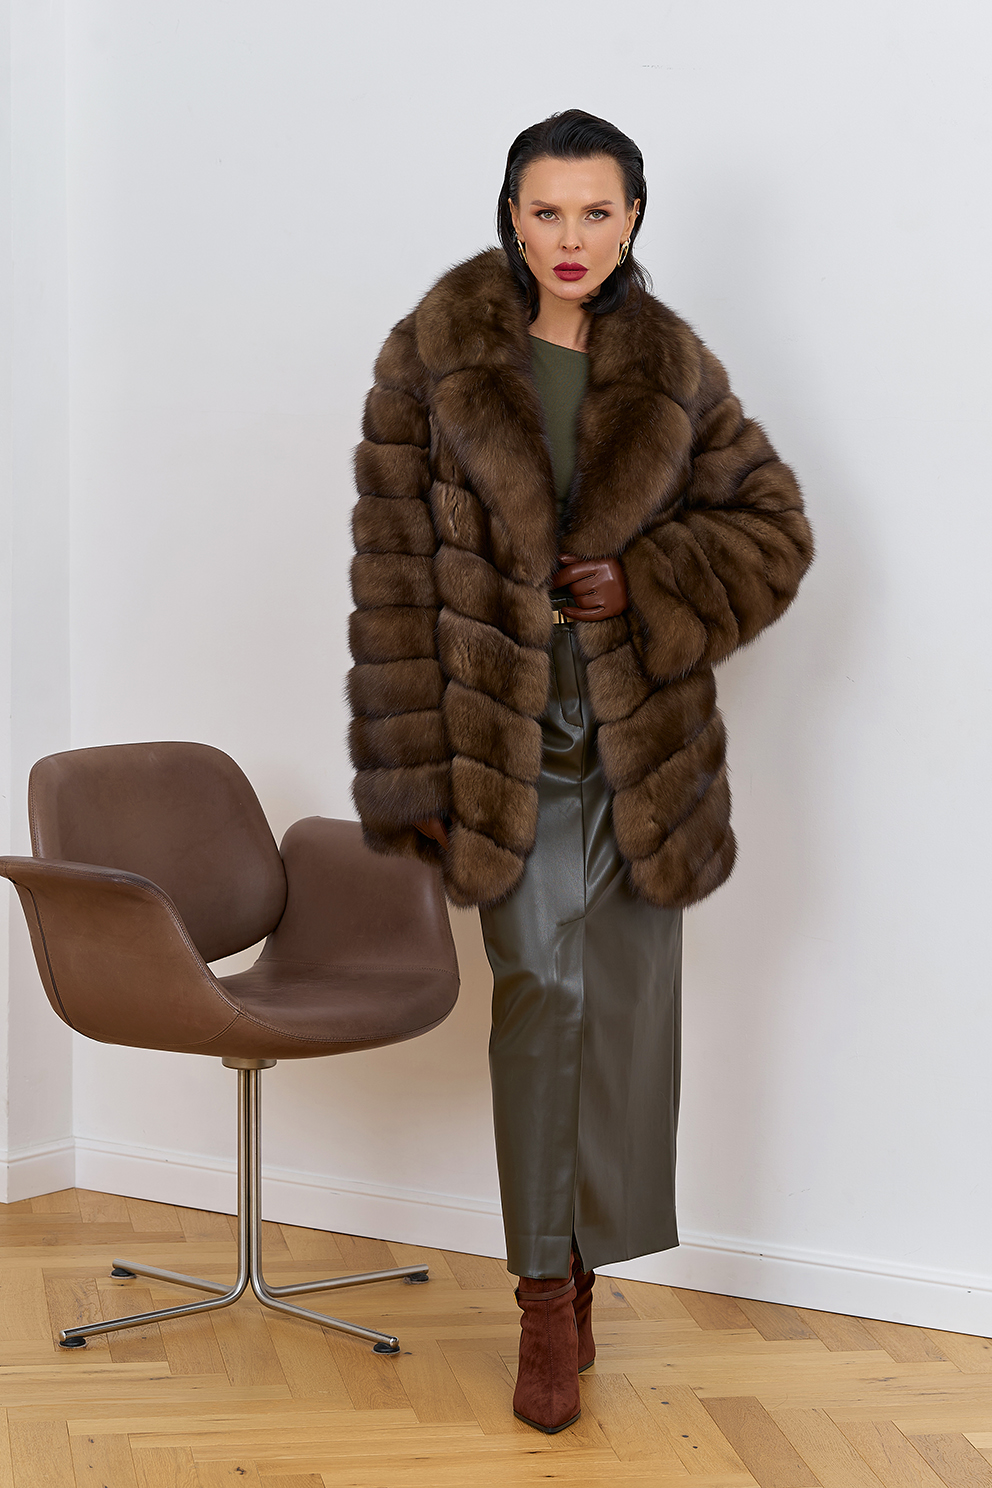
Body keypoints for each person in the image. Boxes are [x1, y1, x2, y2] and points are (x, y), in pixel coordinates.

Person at [346, 109, 813, 1433]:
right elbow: (392, 578)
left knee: (625, 1021)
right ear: (512, 214)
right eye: (547, 210)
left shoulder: (673, 369)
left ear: (633, 220)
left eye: (596, 212)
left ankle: (585, 1263)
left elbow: (773, 527)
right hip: (503, 750)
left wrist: (646, 580)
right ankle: (542, 1302)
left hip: (639, 752)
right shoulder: (431, 359)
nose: (570, 237)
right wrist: (410, 779)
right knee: (541, 997)